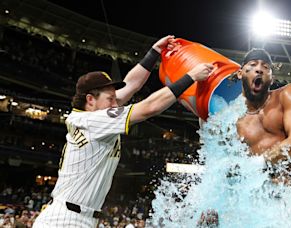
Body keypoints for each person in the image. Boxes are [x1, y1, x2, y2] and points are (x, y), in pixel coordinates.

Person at [33, 35, 215, 228]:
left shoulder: (91, 114)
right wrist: (191, 77)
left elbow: (131, 85)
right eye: (110, 98)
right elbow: (149, 108)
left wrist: (154, 53)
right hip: (66, 219)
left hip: (77, 216)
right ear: (90, 100)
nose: (116, 102)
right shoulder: (92, 121)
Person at [197, 48, 291, 226]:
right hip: (246, 206)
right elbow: (216, 160)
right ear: (240, 73)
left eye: (265, 67)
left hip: (283, 203)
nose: (259, 69)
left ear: (271, 77)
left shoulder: (287, 95)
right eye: (252, 65)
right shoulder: (229, 117)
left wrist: (255, 164)